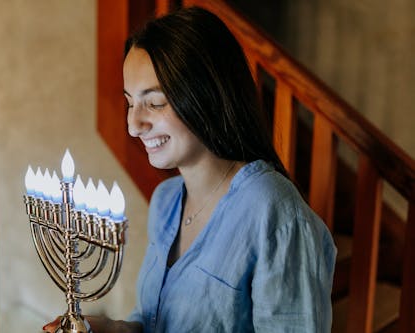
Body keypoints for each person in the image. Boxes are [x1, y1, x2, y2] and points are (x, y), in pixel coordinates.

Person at [45, 6, 336, 333]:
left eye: (154, 103)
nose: (133, 125)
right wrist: (113, 329)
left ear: (206, 96)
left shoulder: (272, 210)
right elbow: (155, 321)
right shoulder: (165, 201)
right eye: (130, 102)